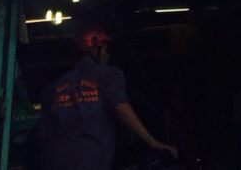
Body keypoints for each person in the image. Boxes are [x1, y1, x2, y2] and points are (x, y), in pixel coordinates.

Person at [38, 26, 178, 170]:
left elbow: (43, 133)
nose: (107, 55)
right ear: (94, 49)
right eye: (105, 49)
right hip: (92, 160)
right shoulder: (108, 74)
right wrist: (152, 141)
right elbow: (121, 107)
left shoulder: (54, 87)